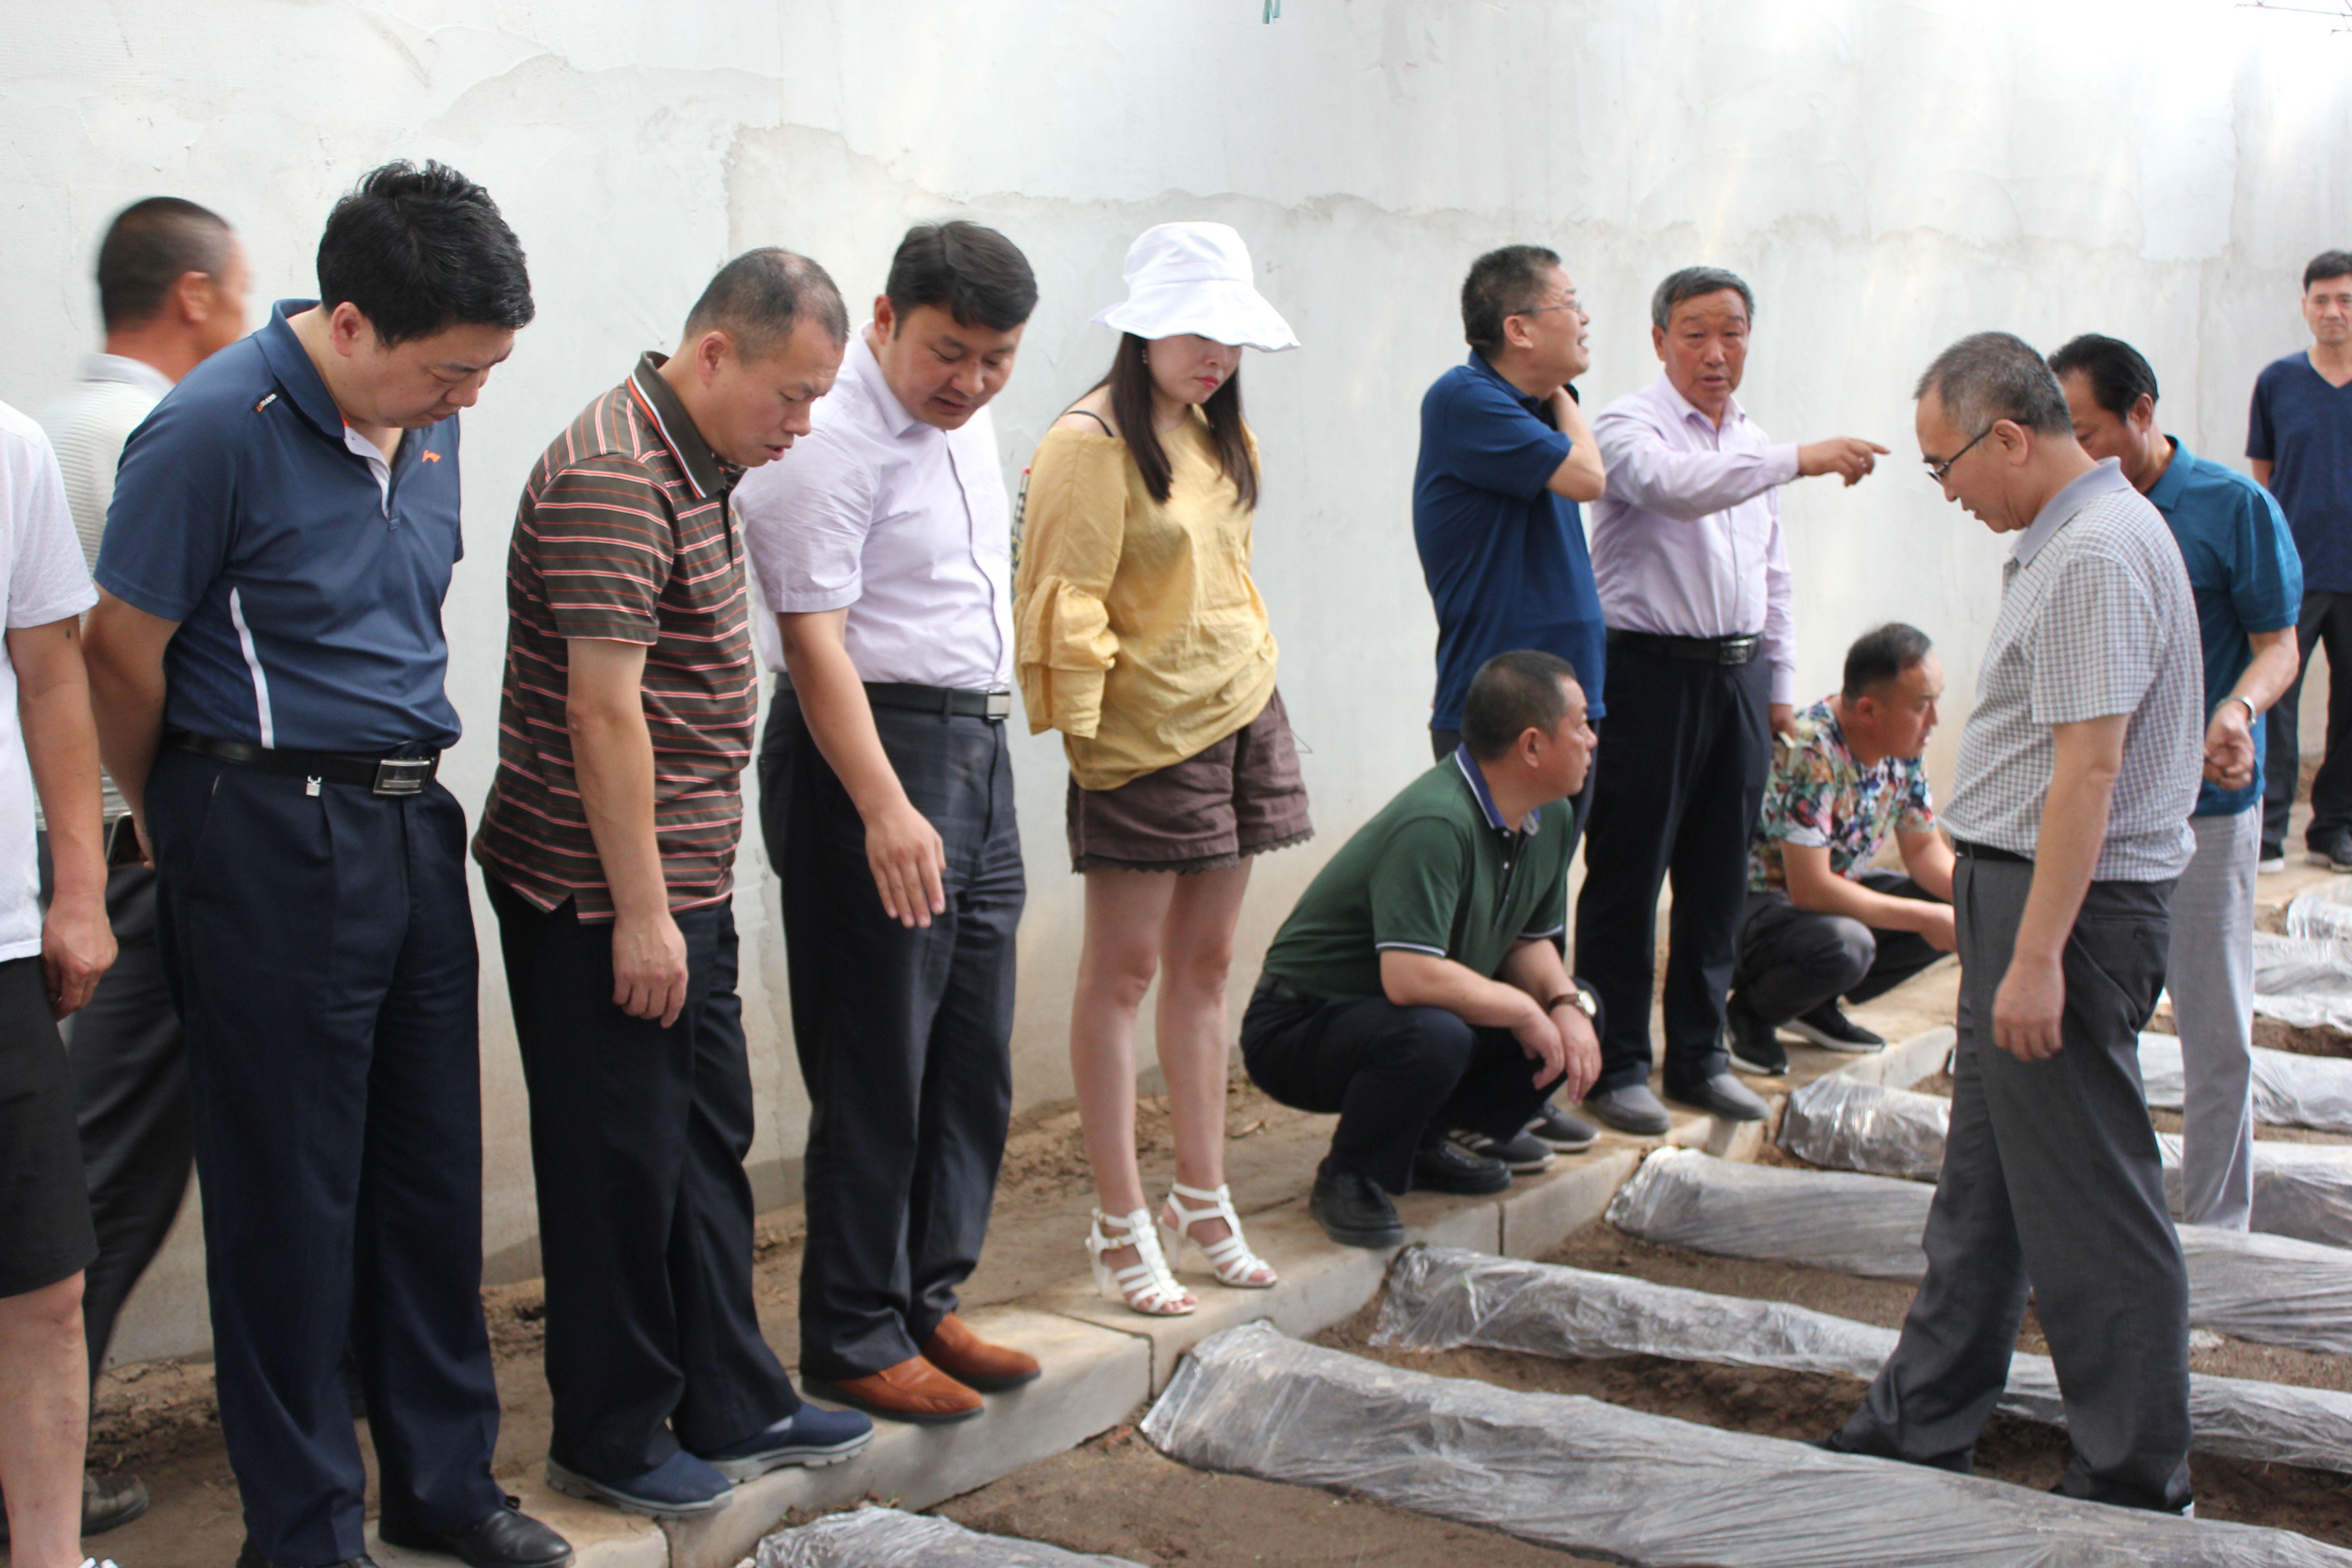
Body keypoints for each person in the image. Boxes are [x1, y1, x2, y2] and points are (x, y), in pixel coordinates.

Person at [83, 163, 568, 1568]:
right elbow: (121, 653)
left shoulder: (428, 420)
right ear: (349, 327)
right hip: (264, 825)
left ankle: (444, 1483)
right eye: (450, 371)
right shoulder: (207, 432)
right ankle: (302, 1529)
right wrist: (168, 815)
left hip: (414, 822)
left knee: (429, 1182)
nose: (468, 398)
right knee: (291, 1199)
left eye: (486, 371)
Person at [473, 249, 871, 1518]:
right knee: (618, 1168)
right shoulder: (613, 473)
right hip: (601, 897)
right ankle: (608, 1428)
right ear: (714, 355)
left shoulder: (702, 463)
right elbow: (603, 716)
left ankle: (730, 1392)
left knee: (704, 1146)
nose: (802, 426)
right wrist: (643, 914)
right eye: (792, 396)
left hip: (678, 881)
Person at [1829, 332, 2204, 1516]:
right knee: (1984, 1189)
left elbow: (2089, 773)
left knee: (2093, 1206)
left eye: (1944, 469)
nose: (1948, 496)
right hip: (2024, 897)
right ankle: (1921, 1418)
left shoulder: (2094, 550)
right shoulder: (2072, 542)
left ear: (2007, 437)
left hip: (2070, 912)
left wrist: (2038, 955)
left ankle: (2136, 1477)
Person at [738, 222, 1041, 1424]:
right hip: (869, 750)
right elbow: (814, 638)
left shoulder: (961, 425)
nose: (969, 382)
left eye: (997, 359)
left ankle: (927, 1293)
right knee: (878, 1056)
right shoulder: (830, 440)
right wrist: (883, 807)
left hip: (975, 742)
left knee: (972, 1051)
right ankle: (853, 1328)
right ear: (884, 319)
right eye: (947, 353)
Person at [1014, 220, 1309, 1318]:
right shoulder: (1088, 442)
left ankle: (1202, 1190)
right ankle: (1117, 1215)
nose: (1216, 355)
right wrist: (1091, 741)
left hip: (1240, 706)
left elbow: (1226, 569)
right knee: (1124, 971)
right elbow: (1063, 596)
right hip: (1141, 734)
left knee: (1208, 961)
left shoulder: (1215, 433)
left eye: (1230, 335)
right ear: (1141, 328)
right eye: (1196, 330)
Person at [31, 197, 248, 1544]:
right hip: (134, 845)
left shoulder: (52, 428)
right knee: (111, 1162)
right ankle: (32, 1473)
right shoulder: (143, 438)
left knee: (108, 1150)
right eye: (242, 292)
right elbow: (134, 659)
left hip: (83, 846)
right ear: (190, 296)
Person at [1575, 265, 1891, 1136]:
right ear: (1658, 341)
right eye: (1694, 333)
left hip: (1739, 678)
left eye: (1732, 332)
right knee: (1627, 874)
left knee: (1717, 878)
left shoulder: (1749, 439)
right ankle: (1615, 1067)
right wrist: (1800, 458)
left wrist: (1778, 690)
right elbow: (1672, 488)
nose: (1716, 353)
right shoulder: (1627, 425)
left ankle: (1701, 1055)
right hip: (1646, 672)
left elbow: (1773, 578)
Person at [2053, 332, 2302, 1229]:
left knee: (2212, 1025)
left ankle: (2214, 1229)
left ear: (2143, 414)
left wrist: (2235, 714)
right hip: (2099, 806)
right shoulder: (2073, 509)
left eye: (2087, 431)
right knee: (2091, 1013)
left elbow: (2279, 643)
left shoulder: (2230, 507)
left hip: (2207, 808)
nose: (2074, 453)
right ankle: (2101, 1208)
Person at [1240, 651, 1602, 1250]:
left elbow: (1527, 943)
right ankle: (1350, 1174)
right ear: (1532, 747)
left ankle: (1426, 1140)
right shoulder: (1437, 822)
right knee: (1437, 1034)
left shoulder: (1551, 817)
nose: (1592, 739)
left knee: (1581, 1006)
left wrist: (1564, 1003)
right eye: (1582, 725)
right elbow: (1409, 979)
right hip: (1298, 1026)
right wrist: (1527, 1012)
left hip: (1395, 1014)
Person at [1409, 243, 1607, 1164]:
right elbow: (1589, 480)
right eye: (1569, 304)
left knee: (1541, 912)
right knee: (1480, 925)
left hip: (1565, 711)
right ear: (1517, 327)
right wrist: (1568, 406)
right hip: (1494, 717)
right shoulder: (1468, 401)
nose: (1584, 318)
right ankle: (1453, 1111)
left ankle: (1520, 1098)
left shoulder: (1527, 411)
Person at [0, 406, 121, 1568]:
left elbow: (51, 671)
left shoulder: (13, 448)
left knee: (42, 1287)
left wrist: (77, 885)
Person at [1725, 624, 1956, 1078]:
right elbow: (1810, 889)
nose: (1935, 721)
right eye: (1921, 706)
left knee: (1957, 905)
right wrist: (1928, 920)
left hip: (1823, 906)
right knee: (1848, 944)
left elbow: (1926, 852)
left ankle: (1812, 1006)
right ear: (1869, 710)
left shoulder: (1904, 749)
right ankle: (1751, 1014)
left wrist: (1982, 905)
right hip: (1759, 910)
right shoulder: (1811, 750)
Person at [2253, 250, 2352, 869]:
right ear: (2304, 304)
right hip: (2295, 571)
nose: (2334, 312)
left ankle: (2335, 828)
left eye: (2345, 300)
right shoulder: (2278, 382)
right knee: (2276, 700)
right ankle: (2266, 832)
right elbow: (2263, 479)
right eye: (2322, 299)